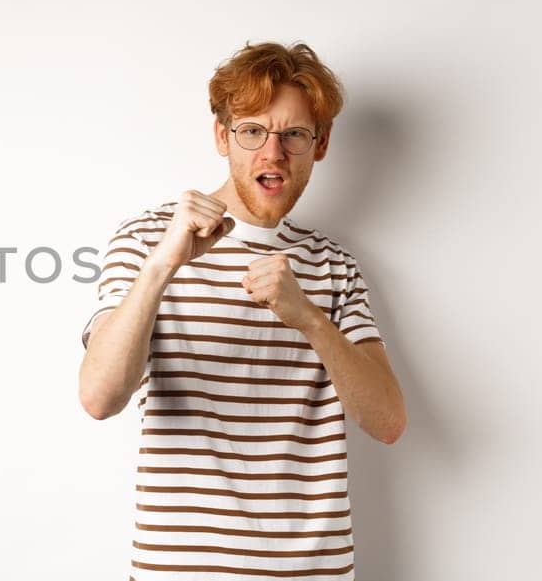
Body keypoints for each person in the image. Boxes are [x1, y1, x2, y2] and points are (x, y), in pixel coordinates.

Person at [76, 41, 406, 579]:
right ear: (221, 136)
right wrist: (163, 266)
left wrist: (308, 317)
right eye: (252, 130)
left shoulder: (334, 265)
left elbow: (388, 422)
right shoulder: (146, 242)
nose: (271, 153)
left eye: (294, 135)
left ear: (319, 146)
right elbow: (98, 396)